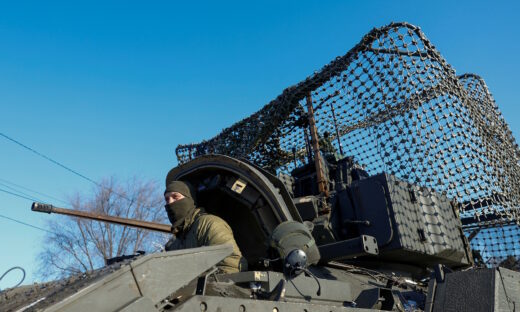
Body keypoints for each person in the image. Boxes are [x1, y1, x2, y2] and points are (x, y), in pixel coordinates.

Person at [163, 180, 247, 273]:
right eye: (167, 199)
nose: (170, 203)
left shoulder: (209, 224)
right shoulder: (174, 243)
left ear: (190, 199)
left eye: (175, 197)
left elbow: (230, 266)